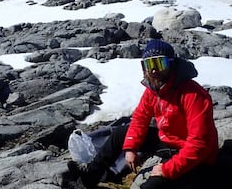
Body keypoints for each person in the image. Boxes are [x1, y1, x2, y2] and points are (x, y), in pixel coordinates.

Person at [68, 39, 219, 189]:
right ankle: (90, 176)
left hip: (195, 156)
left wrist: (167, 169)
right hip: (168, 141)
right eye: (150, 64)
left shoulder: (194, 95)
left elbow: (200, 144)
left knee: (150, 186)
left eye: (160, 64)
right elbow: (140, 119)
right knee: (120, 134)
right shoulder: (153, 90)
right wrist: (130, 148)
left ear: (172, 64)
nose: (154, 70)